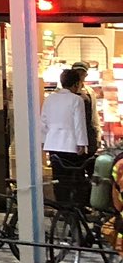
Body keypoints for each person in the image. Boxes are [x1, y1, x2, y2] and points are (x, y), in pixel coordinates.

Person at [41, 66, 93, 210]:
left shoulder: (50, 99)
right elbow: (79, 124)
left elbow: (43, 121)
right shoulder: (76, 100)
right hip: (70, 145)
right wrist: (82, 144)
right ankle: (75, 208)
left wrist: (44, 141)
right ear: (76, 84)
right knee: (75, 178)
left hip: (53, 144)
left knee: (59, 179)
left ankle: (61, 207)